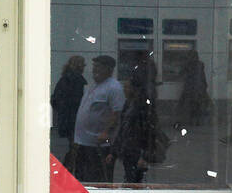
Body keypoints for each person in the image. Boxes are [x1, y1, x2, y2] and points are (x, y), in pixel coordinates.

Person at [71, 54, 125, 185]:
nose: (95, 70)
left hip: (99, 145)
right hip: (84, 142)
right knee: (82, 178)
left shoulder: (113, 87)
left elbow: (117, 113)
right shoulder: (94, 85)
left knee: (97, 179)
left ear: (109, 69)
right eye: (94, 67)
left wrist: (106, 132)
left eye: (99, 67)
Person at [108, 73, 162, 185]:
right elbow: (123, 129)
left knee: (136, 180)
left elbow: (149, 133)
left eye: (127, 87)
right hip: (129, 150)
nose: (124, 90)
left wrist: (145, 156)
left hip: (136, 151)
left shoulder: (143, 107)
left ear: (134, 89)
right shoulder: (129, 104)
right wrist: (113, 152)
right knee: (130, 178)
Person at [50, 55, 86, 160]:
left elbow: (54, 100)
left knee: (73, 147)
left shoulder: (64, 79)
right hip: (74, 118)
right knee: (76, 149)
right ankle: (69, 168)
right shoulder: (78, 80)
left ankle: (68, 168)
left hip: (66, 118)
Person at [177, 46, 210, 127]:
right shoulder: (200, 64)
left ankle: (191, 120)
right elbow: (202, 76)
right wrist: (205, 85)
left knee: (190, 104)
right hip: (199, 87)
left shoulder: (188, 64)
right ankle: (197, 121)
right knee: (198, 105)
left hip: (190, 88)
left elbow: (180, 74)